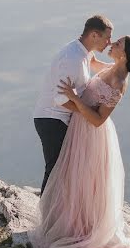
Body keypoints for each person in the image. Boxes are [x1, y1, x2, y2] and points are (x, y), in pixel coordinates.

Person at [29, 35, 130, 248]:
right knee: (75, 179)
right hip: (79, 127)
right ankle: (71, 224)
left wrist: (73, 98)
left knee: (84, 180)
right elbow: (91, 62)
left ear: (124, 54)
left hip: (90, 134)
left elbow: (97, 119)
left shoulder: (119, 81)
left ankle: (81, 231)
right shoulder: (111, 67)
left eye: (117, 44)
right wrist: (85, 47)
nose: (112, 45)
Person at [32, 15, 112, 193]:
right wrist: (89, 113)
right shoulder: (72, 59)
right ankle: (46, 216)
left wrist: (120, 68)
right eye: (107, 38)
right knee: (56, 170)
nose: (109, 43)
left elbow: (95, 63)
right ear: (94, 35)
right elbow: (60, 99)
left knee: (65, 170)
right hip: (52, 119)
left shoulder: (83, 50)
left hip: (60, 119)